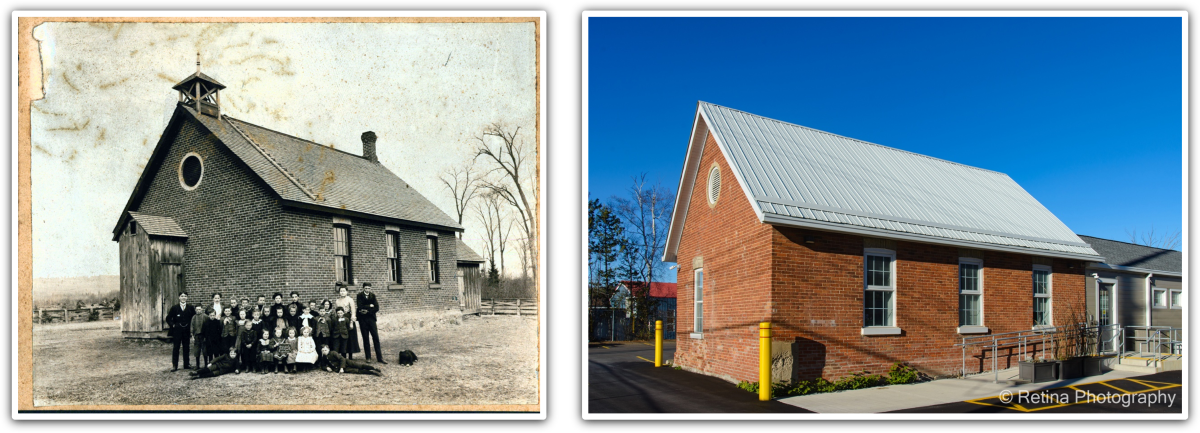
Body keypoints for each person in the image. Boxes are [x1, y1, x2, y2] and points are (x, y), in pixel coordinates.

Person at [356, 283, 386, 363]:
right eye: (366, 288)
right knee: (365, 338)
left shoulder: (373, 296)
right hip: (363, 320)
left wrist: (367, 311)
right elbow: (360, 306)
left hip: (371, 319)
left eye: (369, 288)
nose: (367, 290)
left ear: (370, 289)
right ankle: (368, 357)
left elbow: (377, 307)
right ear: (363, 288)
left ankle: (380, 358)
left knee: (376, 338)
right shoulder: (359, 295)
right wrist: (370, 306)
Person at [164, 292, 195, 372]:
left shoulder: (190, 308)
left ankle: (186, 364)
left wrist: (192, 328)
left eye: (185, 296)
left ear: (187, 297)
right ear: (179, 297)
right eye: (182, 296)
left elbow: (194, 318)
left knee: (186, 347)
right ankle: (175, 365)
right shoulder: (175, 308)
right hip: (177, 331)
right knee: (176, 347)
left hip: (187, 331)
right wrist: (173, 325)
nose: (183, 297)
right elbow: (168, 318)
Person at [318, 344, 382, 376]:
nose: (324, 352)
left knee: (359, 365)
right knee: (356, 371)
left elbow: (342, 359)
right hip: (338, 368)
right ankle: (372, 373)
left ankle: (374, 368)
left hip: (346, 362)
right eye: (323, 350)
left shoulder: (333, 353)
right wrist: (326, 368)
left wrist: (342, 368)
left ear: (328, 349)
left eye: (325, 350)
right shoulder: (323, 357)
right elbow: (322, 366)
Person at [333, 284, 360, 359]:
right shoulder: (337, 301)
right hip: (340, 319)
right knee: (342, 337)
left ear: (347, 291)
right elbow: (336, 312)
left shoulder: (350, 299)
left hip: (348, 318)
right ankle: (343, 355)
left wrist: (351, 322)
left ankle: (350, 356)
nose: (342, 292)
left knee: (350, 338)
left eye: (344, 291)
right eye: (341, 291)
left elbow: (353, 311)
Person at [189, 304, 207, 370]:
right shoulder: (194, 317)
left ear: (202, 309)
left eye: (199, 309)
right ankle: (197, 365)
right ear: (195, 310)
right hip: (197, 336)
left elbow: (208, 326)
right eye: (197, 309)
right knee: (197, 350)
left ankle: (206, 365)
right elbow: (192, 326)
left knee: (205, 350)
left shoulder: (205, 316)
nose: (198, 311)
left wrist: (206, 336)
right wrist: (192, 336)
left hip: (204, 336)